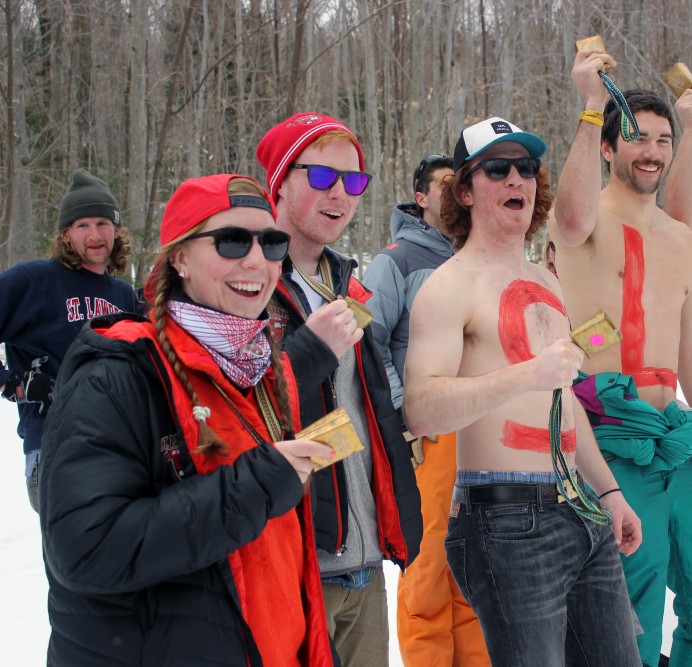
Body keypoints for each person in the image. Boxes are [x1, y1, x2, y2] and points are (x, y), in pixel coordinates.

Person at [40, 174, 336, 665]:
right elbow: (85, 549)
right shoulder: (118, 373)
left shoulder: (256, 367)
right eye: (232, 240)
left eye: (272, 242)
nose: (257, 260)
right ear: (178, 258)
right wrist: (257, 486)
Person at [403, 115, 643, 666]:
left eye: (527, 168)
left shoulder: (546, 280)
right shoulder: (447, 287)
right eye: (497, 169)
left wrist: (609, 493)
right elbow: (421, 410)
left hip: (581, 509)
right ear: (464, 190)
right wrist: (524, 374)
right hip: (505, 520)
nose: (517, 179)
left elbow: (563, 407)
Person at [551, 48, 692, 667]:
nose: (652, 151)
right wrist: (590, 103)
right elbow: (571, 211)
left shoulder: (683, 241)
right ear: (607, 148)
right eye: (636, 136)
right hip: (605, 440)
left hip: (677, 441)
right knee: (628, 613)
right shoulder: (581, 225)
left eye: (662, 139)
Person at [256, 113, 422, 667]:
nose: (341, 194)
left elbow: (363, 406)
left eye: (354, 182)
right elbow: (236, 406)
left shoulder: (347, 281)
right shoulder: (246, 283)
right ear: (280, 181)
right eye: (323, 177)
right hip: (292, 560)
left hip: (363, 558)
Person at [364, 153, 490, 667]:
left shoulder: (480, 260)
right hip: (430, 438)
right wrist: (403, 415)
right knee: (431, 564)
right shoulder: (396, 262)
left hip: (483, 433)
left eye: (457, 184)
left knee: (477, 566)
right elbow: (367, 346)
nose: (451, 193)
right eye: (442, 185)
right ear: (420, 198)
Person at [0, 169, 138, 513]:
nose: (95, 235)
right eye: (82, 225)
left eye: (103, 223)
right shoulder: (35, 281)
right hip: (55, 449)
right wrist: (14, 385)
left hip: (119, 449)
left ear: (117, 231)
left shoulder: (124, 296)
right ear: (65, 235)